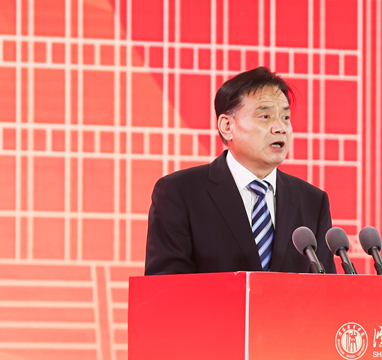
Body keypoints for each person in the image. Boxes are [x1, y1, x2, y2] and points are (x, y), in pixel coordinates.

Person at [144, 67, 336, 275]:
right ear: (227, 126)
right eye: (265, 116)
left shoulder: (312, 202)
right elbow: (165, 287)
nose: (280, 128)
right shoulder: (180, 193)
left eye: (286, 117)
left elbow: (326, 288)